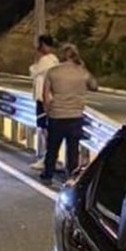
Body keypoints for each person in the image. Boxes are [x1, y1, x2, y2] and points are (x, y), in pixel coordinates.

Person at [40, 42, 98, 187]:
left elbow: (45, 95)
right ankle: (71, 176)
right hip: (75, 116)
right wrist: (84, 68)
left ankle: (48, 175)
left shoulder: (53, 72)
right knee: (73, 149)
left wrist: (48, 111)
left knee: (52, 148)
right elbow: (95, 86)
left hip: (57, 115)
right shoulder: (81, 72)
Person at [28, 33, 59, 170]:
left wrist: (36, 57)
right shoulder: (53, 59)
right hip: (46, 98)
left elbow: (33, 71)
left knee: (44, 129)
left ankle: (47, 158)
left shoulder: (46, 60)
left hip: (44, 99)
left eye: (39, 45)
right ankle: (48, 157)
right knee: (44, 129)